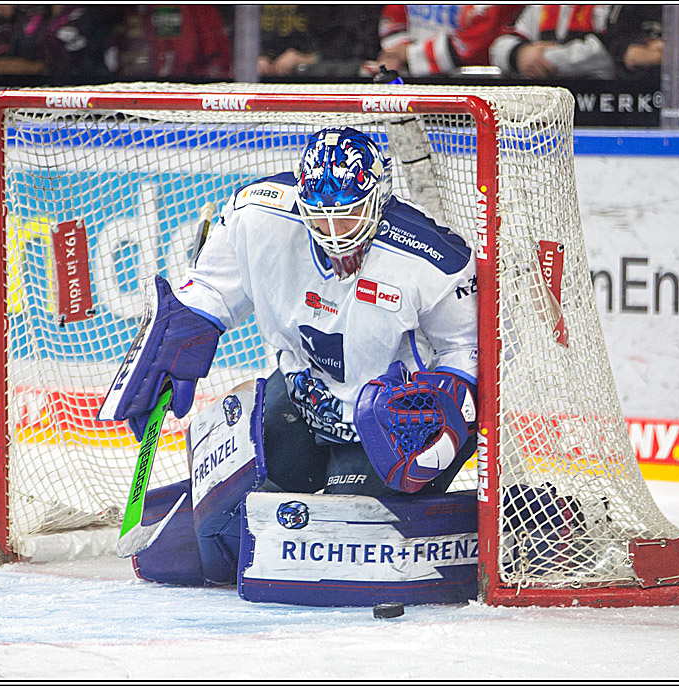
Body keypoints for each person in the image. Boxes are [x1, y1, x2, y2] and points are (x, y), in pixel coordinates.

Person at [106, 126, 479, 501]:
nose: (334, 232)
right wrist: (176, 342)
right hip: (304, 398)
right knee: (226, 497)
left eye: (348, 215)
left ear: (379, 198)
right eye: (320, 216)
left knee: (343, 533)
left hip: (388, 427)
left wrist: (444, 405)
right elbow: (210, 291)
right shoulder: (257, 216)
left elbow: (467, 346)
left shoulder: (431, 258)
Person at [375, 4, 523, 77]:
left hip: (470, 88)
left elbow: (478, 42)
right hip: (415, 81)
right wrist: (395, 55)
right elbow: (393, 20)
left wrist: (409, 55)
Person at [489, 4, 615, 79]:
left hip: (601, 101)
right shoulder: (540, 6)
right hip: (544, 105)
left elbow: (609, 52)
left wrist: (541, 58)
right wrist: (518, 54)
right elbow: (499, 47)